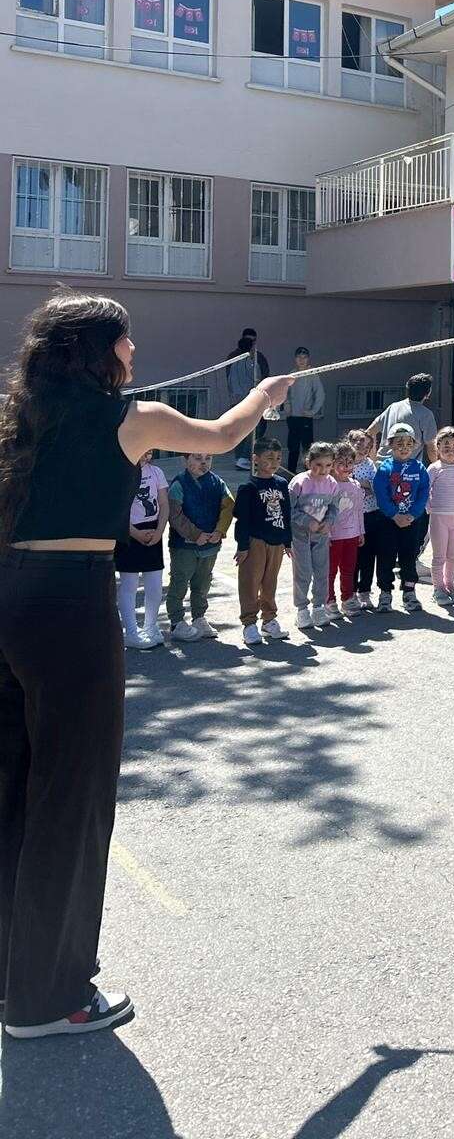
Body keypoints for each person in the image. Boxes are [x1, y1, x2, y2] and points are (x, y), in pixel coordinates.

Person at [0, 290, 290, 1039]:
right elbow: (224, 434)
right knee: (72, 793)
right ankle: (48, 997)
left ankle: (11, 977)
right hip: (69, 606)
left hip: (9, 597)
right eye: (127, 343)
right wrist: (265, 390)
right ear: (102, 349)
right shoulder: (134, 419)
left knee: (13, 786)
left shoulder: (16, 417)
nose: (134, 355)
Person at [165, 452, 233, 641]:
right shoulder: (179, 484)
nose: (204, 463)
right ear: (184, 460)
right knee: (180, 582)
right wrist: (195, 534)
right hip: (184, 546)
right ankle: (176, 621)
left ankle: (199, 617)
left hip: (210, 546)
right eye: (197, 458)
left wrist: (219, 531)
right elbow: (175, 515)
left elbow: (228, 507)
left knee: (203, 583)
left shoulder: (217, 482)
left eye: (208, 458)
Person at [233, 438, 293, 646]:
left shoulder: (281, 483)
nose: (274, 463)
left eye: (278, 458)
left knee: (270, 582)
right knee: (250, 582)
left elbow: (286, 513)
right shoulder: (248, 486)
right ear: (255, 459)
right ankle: (249, 623)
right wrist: (242, 546)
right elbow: (242, 520)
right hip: (256, 541)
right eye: (269, 458)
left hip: (276, 542)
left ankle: (269, 620)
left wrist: (288, 541)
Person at [113, 449, 170, 650]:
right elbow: (117, 509)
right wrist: (135, 533)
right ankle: (131, 631)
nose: (146, 454)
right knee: (129, 584)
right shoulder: (121, 473)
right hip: (129, 533)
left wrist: (159, 531)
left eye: (150, 450)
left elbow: (164, 504)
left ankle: (150, 626)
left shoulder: (156, 473)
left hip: (153, 531)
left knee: (155, 583)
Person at [373, 426, 430, 613]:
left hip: (412, 521)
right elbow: (381, 495)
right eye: (399, 444)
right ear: (390, 445)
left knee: (409, 556)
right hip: (389, 521)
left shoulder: (419, 468)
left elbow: (423, 493)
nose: (404, 447)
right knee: (386, 556)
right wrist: (394, 515)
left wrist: (413, 514)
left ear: (414, 446)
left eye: (408, 444)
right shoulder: (385, 469)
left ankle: (409, 592)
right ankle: (385, 592)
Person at [289, 442, 338, 629]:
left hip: (321, 537)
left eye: (328, 465)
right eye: (318, 464)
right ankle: (302, 610)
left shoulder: (332, 483)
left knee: (321, 572)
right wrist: (305, 521)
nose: (323, 470)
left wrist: (329, 522)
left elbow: (333, 507)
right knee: (303, 572)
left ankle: (318, 607)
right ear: (309, 462)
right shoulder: (299, 482)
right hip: (300, 536)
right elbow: (289, 509)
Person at [427, 427, 454, 607]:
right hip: (439, 517)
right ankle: (438, 588)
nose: (450, 449)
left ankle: (450, 584)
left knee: (453, 555)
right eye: (446, 445)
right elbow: (426, 490)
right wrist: (430, 508)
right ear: (438, 446)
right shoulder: (434, 468)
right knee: (439, 556)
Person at [326, 440, 366, 617]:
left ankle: (348, 598)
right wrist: (325, 534)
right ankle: (329, 600)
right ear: (333, 464)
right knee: (330, 570)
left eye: (349, 462)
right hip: (333, 536)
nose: (346, 467)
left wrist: (361, 531)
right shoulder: (328, 485)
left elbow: (359, 510)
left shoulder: (355, 485)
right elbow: (324, 512)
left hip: (351, 535)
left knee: (349, 569)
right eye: (341, 463)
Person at [349, 429, 385, 609]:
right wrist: (361, 485)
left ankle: (365, 591)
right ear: (350, 442)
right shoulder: (344, 463)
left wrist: (358, 484)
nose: (362, 449)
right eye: (358, 443)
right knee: (352, 556)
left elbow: (374, 487)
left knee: (368, 555)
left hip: (370, 513)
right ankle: (351, 592)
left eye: (367, 446)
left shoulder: (370, 464)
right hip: (349, 516)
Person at [226, 328, 271, 470]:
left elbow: (265, 376)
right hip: (249, 400)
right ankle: (244, 457)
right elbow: (264, 378)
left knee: (245, 428)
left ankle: (241, 458)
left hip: (243, 399)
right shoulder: (251, 357)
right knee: (255, 427)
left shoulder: (254, 357)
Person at [369, 374, 438, 462]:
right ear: (428, 393)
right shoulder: (426, 414)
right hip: (406, 468)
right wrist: (438, 469)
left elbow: (370, 431)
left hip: (382, 465)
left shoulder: (393, 407)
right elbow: (431, 447)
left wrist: (372, 457)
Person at [282, 347, 326, 473]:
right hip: (292, 417)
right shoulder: (292, 374)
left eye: (304, 357)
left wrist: (313, 411)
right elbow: (285, 392)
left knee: (307, 447)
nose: (301, 360)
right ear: (295, 359)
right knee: (293, 447)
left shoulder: (312, 374)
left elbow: (320, 394)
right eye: (299, 357)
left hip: (305, 416)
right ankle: (291, 472)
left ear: (308, 359)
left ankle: (308, 472)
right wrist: (287, 406)